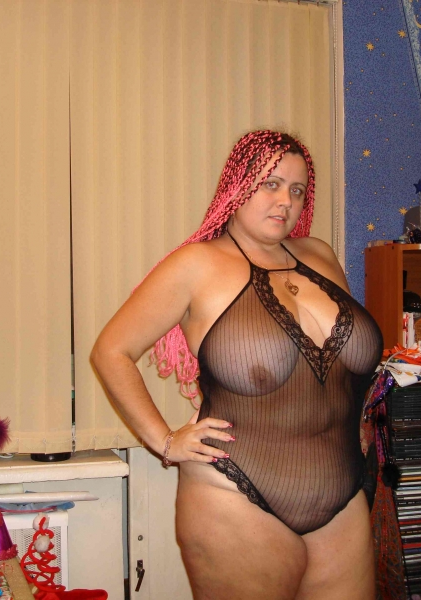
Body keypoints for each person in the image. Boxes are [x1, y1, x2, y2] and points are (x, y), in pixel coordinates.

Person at [91, 130, 383, 599]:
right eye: (270, 183)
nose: (285, 201)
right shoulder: (196, 264)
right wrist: (164, 440)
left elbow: (342, 373)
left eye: (297, 190)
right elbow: (111, 351)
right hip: (235, 495)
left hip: (341, 492)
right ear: (238, 185)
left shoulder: (321, 255)